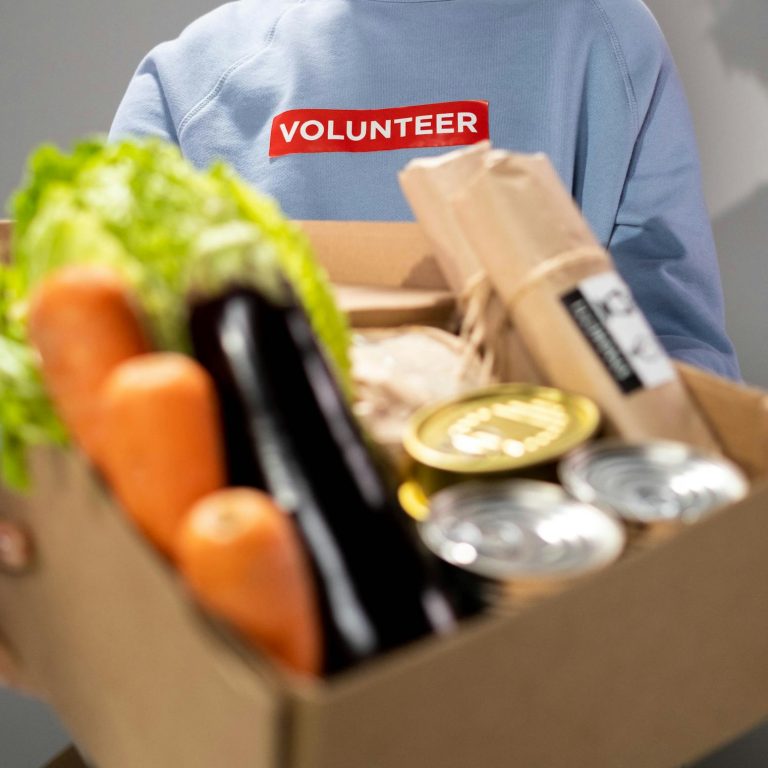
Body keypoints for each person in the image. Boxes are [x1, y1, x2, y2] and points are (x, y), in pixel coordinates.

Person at [110, 0, 739, 379]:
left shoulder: (601, 38)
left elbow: (674, 350)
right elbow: (114, 369)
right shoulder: (186, 81)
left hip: (546, 524)